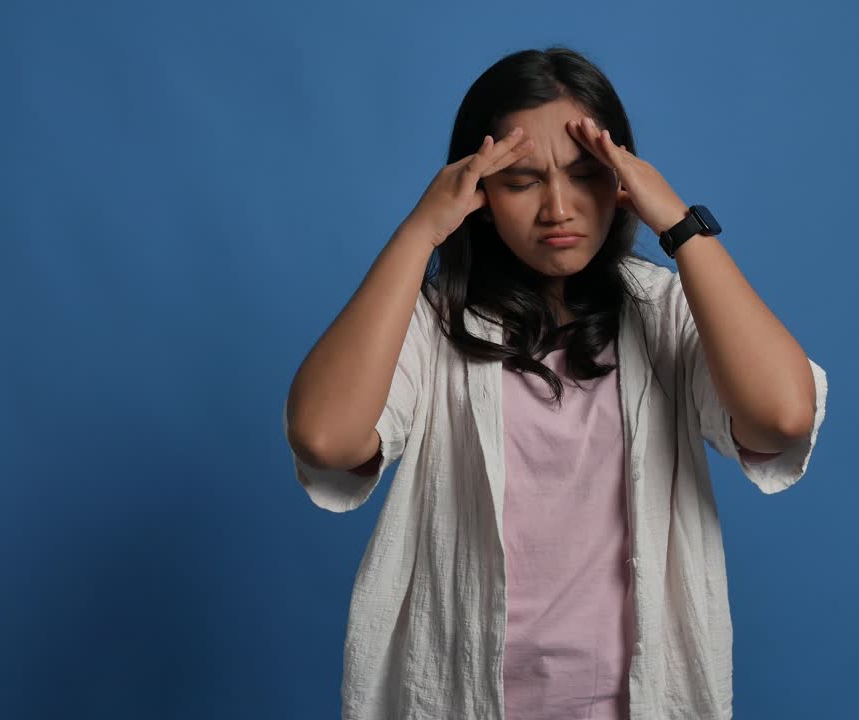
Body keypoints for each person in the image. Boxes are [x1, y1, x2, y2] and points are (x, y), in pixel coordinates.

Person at [283, 46, 829, 720]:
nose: (559, 208)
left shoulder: (666, 310)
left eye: (586, 174)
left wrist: (680, 227)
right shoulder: (428, 325)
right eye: (520, 181)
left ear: (622, 179)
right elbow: (325, 437)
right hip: (459, 696)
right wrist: (421, 231)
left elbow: (781, 416)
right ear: (476, 193)